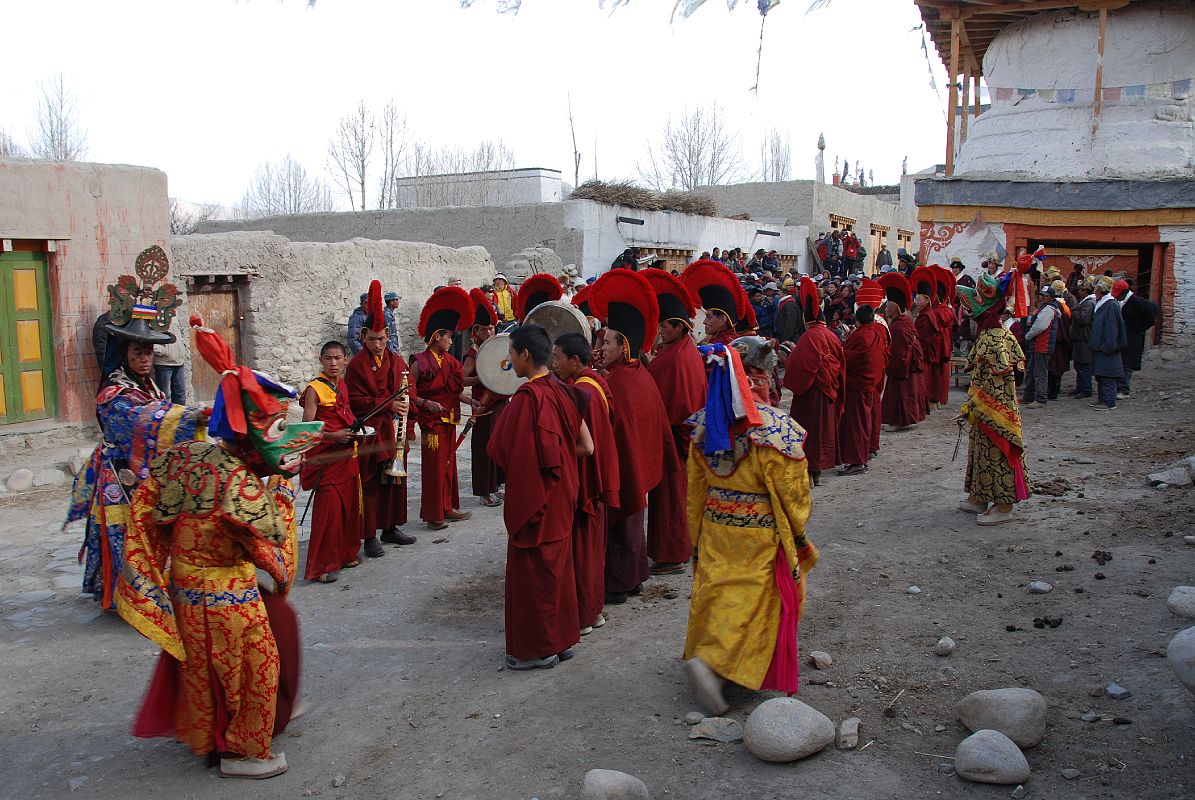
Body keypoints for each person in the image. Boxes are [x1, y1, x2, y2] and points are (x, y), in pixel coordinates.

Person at [115, 315, 323, 779]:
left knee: (207, 667)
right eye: (271, 429)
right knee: (253, 666)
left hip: (185, 585)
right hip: (224, 591)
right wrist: (283, 498)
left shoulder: (192, 457)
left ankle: (213, 738)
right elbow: (267, 549)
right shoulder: (236, 485)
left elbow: (152, 502)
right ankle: (242, 752)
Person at [683, 336, 818, 715]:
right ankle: (716, 665)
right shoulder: (778, 430)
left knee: (716, 592)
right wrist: (797, 532)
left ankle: (709, 656)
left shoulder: (704, 426)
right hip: (758, 533)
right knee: (754, 600)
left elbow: (694, 490)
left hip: (713, 526)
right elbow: (794, 496)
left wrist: (695, 535)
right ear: (762, 379)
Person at [66, 246, 207, 609]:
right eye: (137, 352)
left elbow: (160, 411)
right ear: (124, 353)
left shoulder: (151, 385)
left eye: (148, 352)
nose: (144, 358)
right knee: (127, 535)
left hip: (145, 471)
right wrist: (188, 417)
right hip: (120, 474)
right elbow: (143, 420)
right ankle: (128, 599)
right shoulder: (114, 392)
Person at [488, 324, 593, 670]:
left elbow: (501, 451)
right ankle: (561, 641)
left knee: (533, 573)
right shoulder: (565, 391)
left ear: (525, 355)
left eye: (512, 353)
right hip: (562, 493)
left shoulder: (526, 400)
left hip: (537, 498)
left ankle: (536, 649)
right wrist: (557, 461)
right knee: (558, 567)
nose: (509, 360)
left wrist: (537, 468)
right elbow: (586, 446)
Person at [589, 270, 675, 605]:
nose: (602, 348)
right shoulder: (637, 373)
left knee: (622, 526)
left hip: (625, 470)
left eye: (607, 342)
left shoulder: (620, 383)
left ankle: (619, 583)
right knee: (633, 523)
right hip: (639, 468)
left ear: (624, 345)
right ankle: (636, 576)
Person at [552, 332, 619, 636]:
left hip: (585, 481)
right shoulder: (595, 381)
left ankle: (584, 614)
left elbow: (580, 443)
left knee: (582, 551)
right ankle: (594, 611)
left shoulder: (582, 391)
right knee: (592, 548)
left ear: (575, 361)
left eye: (557, 358)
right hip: (599, 476)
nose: (554, 364)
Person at [642, 270, 707, 575]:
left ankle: (671, 555)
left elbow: (677, 405)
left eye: (665, 326)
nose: (661, 331)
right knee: (676, 499)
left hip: (675, 441)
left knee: (670, 501)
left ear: (679, 327)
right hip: (683, 439)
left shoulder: (678, 359)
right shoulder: (685, 352)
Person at [955, 272, 1032, 526]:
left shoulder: (994, 338)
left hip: (996, 412)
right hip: (985, 410)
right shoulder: (997, 334)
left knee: (998, 455)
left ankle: (1003, 505)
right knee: (981, 454)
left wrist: (974, 405)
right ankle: (980, 497)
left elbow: (996, 384)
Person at [346, 281, 413, 556]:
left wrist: (407, 405)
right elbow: (355, 401)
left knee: (394, 482)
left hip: (394, 431)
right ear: (363, 337)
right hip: (373, 432)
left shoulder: (396, 361)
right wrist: (387, 405)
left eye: (381, 339)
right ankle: (370, 536)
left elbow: (408, 389)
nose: (376, 344)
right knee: (371, 483)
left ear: (388, 335)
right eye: (371, 339)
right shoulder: (356, 366)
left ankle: (390, 527)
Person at [411, 286, 479, 531]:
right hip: (432, 423)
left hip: (450, 419)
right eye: (448, 336)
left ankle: (448, 506)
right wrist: (425, 403)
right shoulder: (419, 362)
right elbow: (410, 394)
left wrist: (470, 401)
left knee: (449, 464)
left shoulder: (451, 362)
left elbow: (454, 390)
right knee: (434, 469)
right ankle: (433, 514)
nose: (452, 341)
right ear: (436, 336)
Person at [300, 341, 363, 584]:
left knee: (347, 510)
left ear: (345, 360)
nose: (333, 363)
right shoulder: (315, 390)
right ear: (321, 361)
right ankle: (320, 567)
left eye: (337, 358)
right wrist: (333, 436)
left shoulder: (343, 386)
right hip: (327, 459)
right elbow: (307, 430)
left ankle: (346, 554)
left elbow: (345, 416)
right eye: (328, 358)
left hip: (346, 455)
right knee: (329, 513)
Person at [782, 276, 844, 486]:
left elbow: (802, 365)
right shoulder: (830, 335)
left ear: (806, 319)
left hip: (811, 394)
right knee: (822, 431)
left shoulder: (810, 337)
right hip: (828, 391)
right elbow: (840, 362)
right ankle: (816, 474)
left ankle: (809, 474)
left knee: (808, 432)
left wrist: (789, 356)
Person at [838, 279, 889, 475]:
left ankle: (857, 461)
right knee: (864, 421)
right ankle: (863, 455)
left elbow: (849, 357)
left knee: (855, 424)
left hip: (857, 386)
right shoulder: (875, 332)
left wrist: (840, 350)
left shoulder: (861, 335)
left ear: (858, 319)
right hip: (870, 383)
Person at [461, 288, 506, 507]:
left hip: (500, 403)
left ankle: (495, 485)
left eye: (492, 328)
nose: (489, 333)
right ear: (476, 330)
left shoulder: (496, 347)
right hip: (483, 405)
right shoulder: (472, 354)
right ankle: (483, 491)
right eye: (485, 329)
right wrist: (481, 379)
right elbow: (461, 380)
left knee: (499, 445)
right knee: (483, 449)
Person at [878, 272, 926, 431]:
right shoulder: (903, 322)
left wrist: (889, 365)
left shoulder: (898, 327)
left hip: (903, 368)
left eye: (888, 306)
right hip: (907, 365)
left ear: (896, 308)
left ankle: (898, 421)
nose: (885, 309)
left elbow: (899, 354)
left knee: (900, 392)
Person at [681, 258, 749, 348]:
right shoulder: (714, 338)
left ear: (722, 320)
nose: (704, 322)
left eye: (709, 317)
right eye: (706, 316)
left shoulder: (727, 345)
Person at [1089, 276, 1127, 411]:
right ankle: (1102, 398)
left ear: (1101, 291)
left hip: (1107, 347)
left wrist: (1108, 346)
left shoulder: (1111, 305)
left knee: (1108, 374)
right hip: (1099, 346)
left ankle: (1109, 401)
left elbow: (1112, 328)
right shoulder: (1102, 304)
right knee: (1100, 374)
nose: (1095, 293)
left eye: (1097, 290)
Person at [1114, 278, 1156, 398]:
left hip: (1132, 337)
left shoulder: (1137, 301)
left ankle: (1124, 389)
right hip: (1125, 335)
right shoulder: (1123, 302)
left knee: (1127, 363)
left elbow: (1151, 314)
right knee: (1121, 361)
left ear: (1124, 292)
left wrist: (1140, 328)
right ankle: (1120, 387)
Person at [1020, 287, 1060, 408]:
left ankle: (1040, 398)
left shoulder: (1048, 309)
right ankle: (1029, 396)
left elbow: (1040, 326)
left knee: (1040, 373)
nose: (1043, 297)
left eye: (1045, 296)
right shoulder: (1045, 308)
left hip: (1043, 345)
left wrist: (1028, 335)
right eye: (1042, 295)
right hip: (1038, 345)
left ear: (1051, 297)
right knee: (1032, 371)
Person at [152, 313, 188, 405]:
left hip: (179, 361)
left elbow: (181, 331)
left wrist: (183, 347)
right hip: (163, 363)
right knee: (164, 396)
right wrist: (163, 351)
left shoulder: (174, 313)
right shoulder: (154, 313)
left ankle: (180, 418)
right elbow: (149, 337)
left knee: (180, 395)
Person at [1068, 281, 1095, 399]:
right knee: (1079, 364)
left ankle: (1086, 389)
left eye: (1081, 290)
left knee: (1084, 364)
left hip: (1084, 337)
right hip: (1080, 337)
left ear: (1086, 291)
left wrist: (1074, 311)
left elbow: (1084, 319)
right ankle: (1081, 387)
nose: (1079, 292)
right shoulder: (1086, 302)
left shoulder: (1089, 303)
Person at [384, 290, 403, 355]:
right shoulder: (387, 315)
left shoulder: (389, 314)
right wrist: (392, 352)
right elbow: (388, 335)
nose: (398, 302)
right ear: (391, 302)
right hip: (391, 351)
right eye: (396, 300)